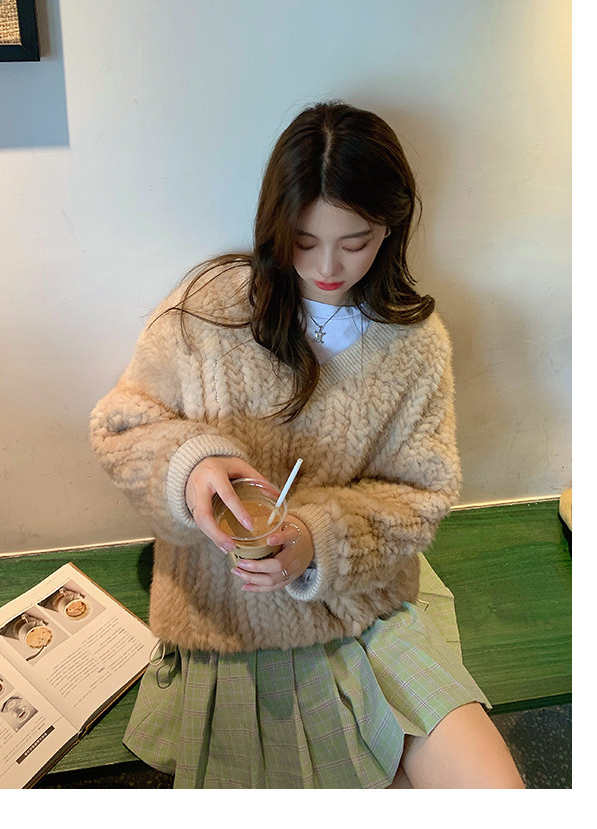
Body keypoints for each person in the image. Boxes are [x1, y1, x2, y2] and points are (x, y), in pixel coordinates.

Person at [89, 100, 524, 789]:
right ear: (275, 223)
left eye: (355, 241)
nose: (327, 265)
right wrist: (193, 468)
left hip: (361, 607)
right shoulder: (210, 310)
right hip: (228, 621)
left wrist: (315, 540)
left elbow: (421, 495)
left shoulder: (415, 344)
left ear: (390, 227)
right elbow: (122, 425)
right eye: (303, 239)